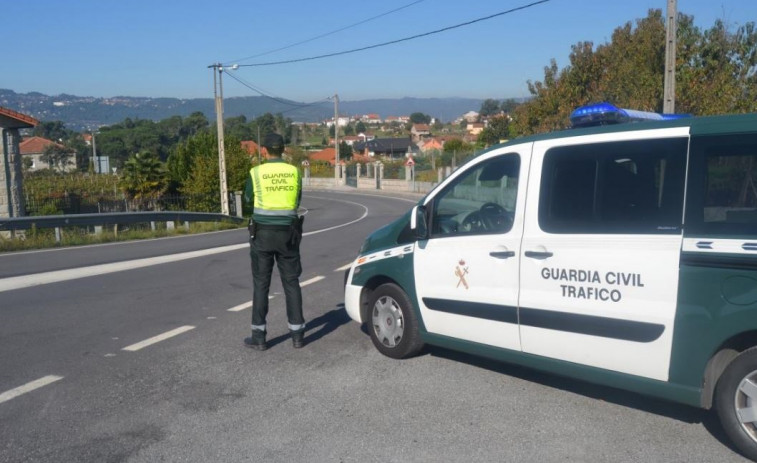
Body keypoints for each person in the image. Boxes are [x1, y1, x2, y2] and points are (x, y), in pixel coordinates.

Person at [243, 133, 305, 350]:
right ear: (284, 149)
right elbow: (297, 200)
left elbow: (247, 199)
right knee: (291, 282)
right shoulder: (294, 172)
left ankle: (259, 337)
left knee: (261, 284)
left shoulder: (256, 172)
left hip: (263, 233)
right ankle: (297, 335)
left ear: (264, 150)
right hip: (288, 234)